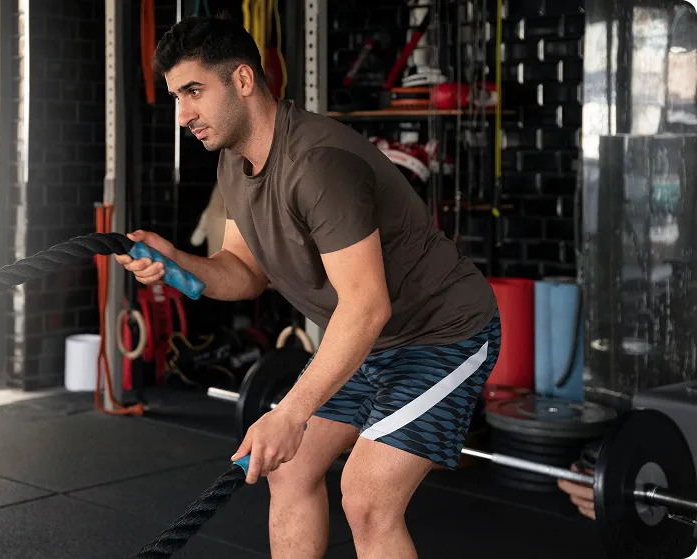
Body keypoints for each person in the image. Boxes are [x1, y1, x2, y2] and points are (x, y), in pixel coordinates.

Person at [115, 14, 501, 559]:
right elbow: (245, 272)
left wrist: (290, 414)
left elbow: (365, 306)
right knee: (290, 469)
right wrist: (178, 261)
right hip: (367, 339)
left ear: (242, 80)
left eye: (194, 92)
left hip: (441, 333)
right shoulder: (234, 162)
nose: (183, 115)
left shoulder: (318, 165)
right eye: (178, 97)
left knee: (366, 500)